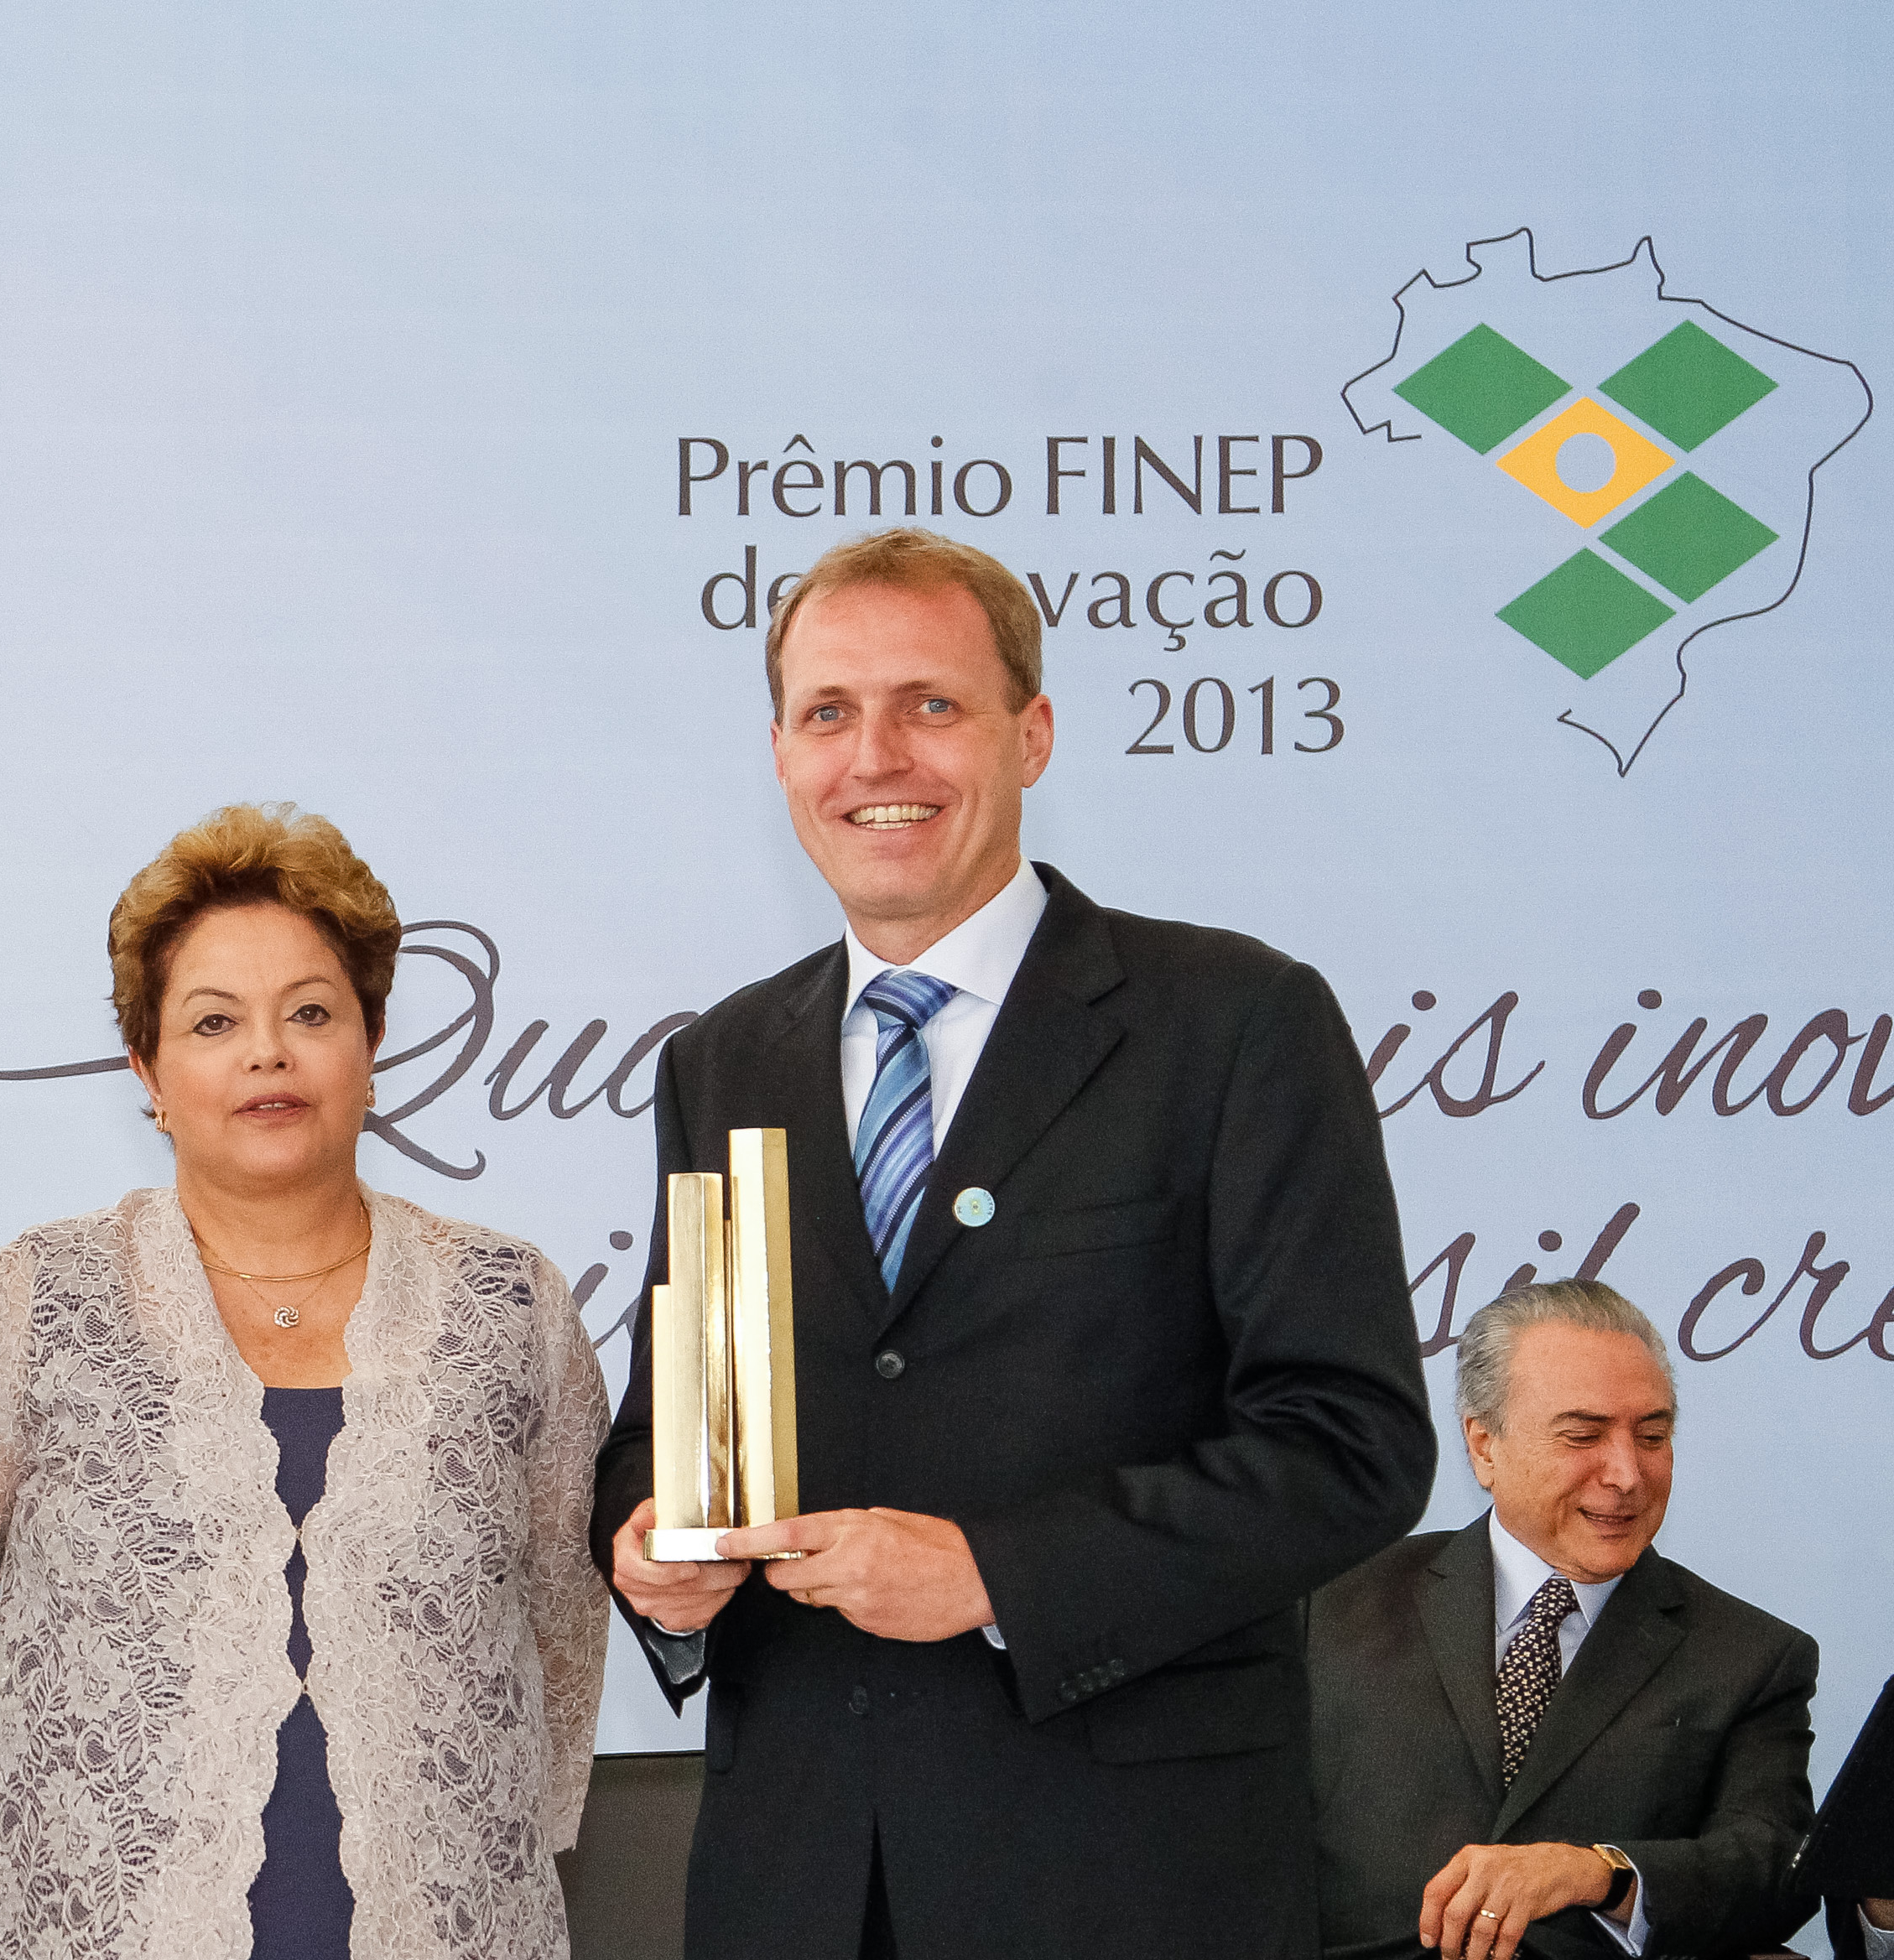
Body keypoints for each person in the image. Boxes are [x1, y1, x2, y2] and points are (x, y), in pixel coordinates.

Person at [591, 526, 1437, 1957]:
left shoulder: (1234, 1023)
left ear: (1030, 734)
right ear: (782, 754)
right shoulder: (722, 1062)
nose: (877, 757)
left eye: (930, 704)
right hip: (796, 1885)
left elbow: (1350, 1443)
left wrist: (1001, 1573)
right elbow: (664, 1429)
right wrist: (650, 1554)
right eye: (829, 713)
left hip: (1129, 1888)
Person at [0, 803, 607, 1960]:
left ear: (371, 1044)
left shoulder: (510, 1306)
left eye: (311, 1012)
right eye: (214, 1021)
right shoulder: (43, 1297)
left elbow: (559, 1625)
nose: (268, 1052)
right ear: (147, 1070)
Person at [1309, 1280, 1818, 1960]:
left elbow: (1774, 1871)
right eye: (1583, 1435)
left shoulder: (1751, 1656)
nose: (1626, 1474)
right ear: (1483, 1445)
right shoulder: (1327, 1605)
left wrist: (1598, 1873)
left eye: (1652, 1435)